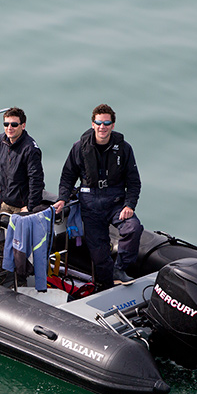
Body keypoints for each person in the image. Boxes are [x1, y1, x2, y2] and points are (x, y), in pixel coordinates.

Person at [53, 104, 143, 287]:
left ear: (113, 125)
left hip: (116, 203)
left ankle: (120, 269)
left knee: (133, 228)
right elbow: (68, 177)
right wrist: (62, 198)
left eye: (107, 123)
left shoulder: (124, 148)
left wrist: (129, 205)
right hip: (90, 205)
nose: (103, 127)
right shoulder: (79, 148)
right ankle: (105, 285)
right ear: (93, 124)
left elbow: (134, 182)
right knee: (99, 254)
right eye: (99, 123)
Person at [0, 106, 45, 214]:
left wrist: (30, 207)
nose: (9, 128)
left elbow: (36, 180)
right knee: (0, 225)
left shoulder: (30, 150)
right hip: (6, 202)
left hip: (22, 206)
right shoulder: (3, 140)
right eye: (6, 124)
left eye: (14, 124)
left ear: (23, 126)